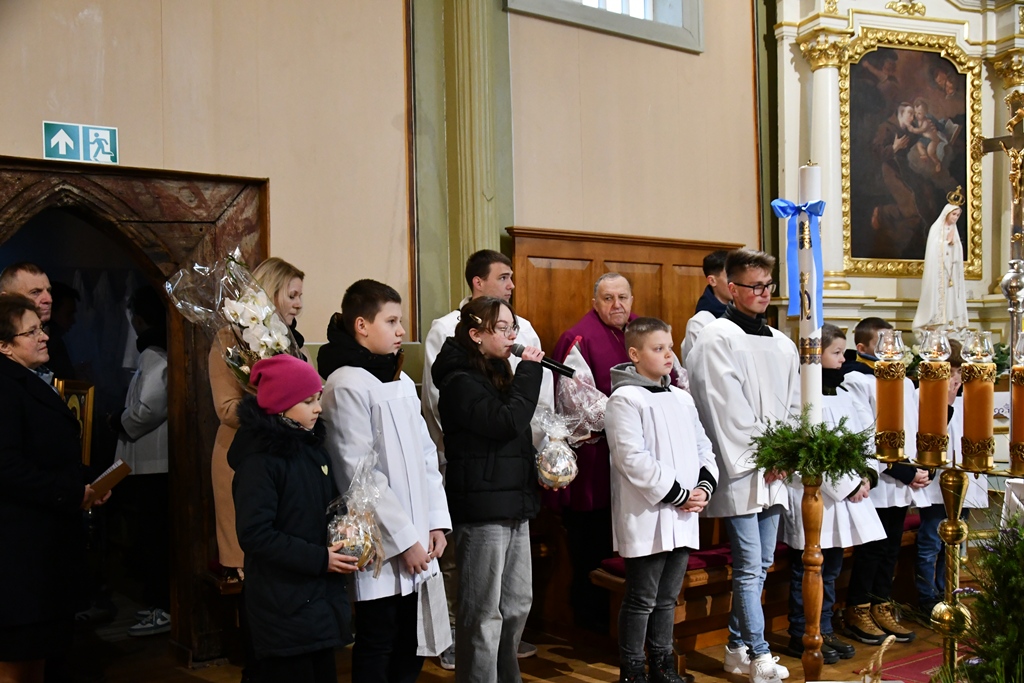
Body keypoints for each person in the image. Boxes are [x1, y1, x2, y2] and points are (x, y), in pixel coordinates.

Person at [420, 250, 548, 667]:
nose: (512, 337)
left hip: (513, 500)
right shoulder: (459, 379)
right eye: (503, 329)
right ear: (476, 334)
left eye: (513, 328)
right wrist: (529, 372)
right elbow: (505, 422)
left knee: (517, 603)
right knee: (483, 613)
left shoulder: (499, 370)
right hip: (482, 504)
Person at [320, 279, 451, 682]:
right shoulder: (345, 383)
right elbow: (358, 473)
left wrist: (434, 521)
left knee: (413, 640)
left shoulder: (398, 379)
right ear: (361, 325)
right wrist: (404, 540)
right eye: (391, 321)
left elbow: (427, 455)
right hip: (382, 543)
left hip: (418, 535)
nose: (401, 331)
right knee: (379, 639)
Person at [686, 249, 798, 683]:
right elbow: (724, 408)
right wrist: (765, 457)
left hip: (774, 468)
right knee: (750, 565)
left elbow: (793, 404)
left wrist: (784, 455)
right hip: (743, 470)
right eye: (755, 286)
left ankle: (735, 648)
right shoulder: (717, 337)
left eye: (768, 285)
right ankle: (760, 654)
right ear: (732, 288)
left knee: (763, 562)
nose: (764, 293)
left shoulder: (783, 343)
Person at [229, 354, 358, 683]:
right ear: (280, 405)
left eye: (318, 399)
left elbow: (330, 506)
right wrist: (320, 559)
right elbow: (256, 534)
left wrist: (348, 533)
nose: (318, 408)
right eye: (308, 401)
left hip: (316, 598)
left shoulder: (313, 449)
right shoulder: (260, 461)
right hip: (282, 602)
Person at [0, 294, 108, 683]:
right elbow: (7, 467)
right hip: (18, 548)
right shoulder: (5, 387)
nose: (44, 336)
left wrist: (88, 481)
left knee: (38, 654)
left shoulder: (27, 381)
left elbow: (49, 453)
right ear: (4, 345)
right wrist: (72, 493)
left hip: (43, 546)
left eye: (41, 328)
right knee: (16, 658)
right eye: (31, 332)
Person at [606, 317, 718, 683]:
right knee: (642, 598)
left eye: (670, 347)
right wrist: (679, 494)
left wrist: (703, 487)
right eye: (658, 349)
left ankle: (663, 664)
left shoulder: (682, 398)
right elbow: (631, 458)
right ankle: (632, 669)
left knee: (668, 597)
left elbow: (703, 447)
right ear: (635, 354)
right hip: (648, 513)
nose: (669, 355)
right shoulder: (625, 399)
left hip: (683, 513)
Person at [781, 323, 883, 665]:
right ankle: (803, 631)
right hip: (815, 494)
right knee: (809, 568)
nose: (843, 359)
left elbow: (866, 437)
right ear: (814, 354)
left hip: (849, 496)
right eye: (836, 353)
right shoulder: (799, 394)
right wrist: (847, 485)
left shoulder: (844, 393)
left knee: (833, 568)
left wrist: (867, 476)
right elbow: (805, 450)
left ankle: (824, 628)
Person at [210, 256, 308, 577]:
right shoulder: (229, 339)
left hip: (287, 461)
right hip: (244, 459)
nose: (299, 305)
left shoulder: (295, 345)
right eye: (292, 295)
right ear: (269, 292)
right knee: (252, 568)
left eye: (300, 296)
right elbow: (227, 409)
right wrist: (279, 406)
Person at [549, 272, 636, 630]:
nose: (617, 305)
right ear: (594, 303)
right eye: (608, 298)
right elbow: (579, 402)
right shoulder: (579, 338)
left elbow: (674, 379)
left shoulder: (643, 333)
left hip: (637, 461)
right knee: (593, 546)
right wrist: (634, 419)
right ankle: (593, 625)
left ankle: (628, 622)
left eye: (623, 297)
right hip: (596, 462)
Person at [840, 317, 924, 645]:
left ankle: (881, 604)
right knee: (872, 549)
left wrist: (919, 466)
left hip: (902, 480)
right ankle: (857, 608)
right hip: (877, 478)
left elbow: (911, 424)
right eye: (883, 343)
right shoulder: (856, 379)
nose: (891, 349)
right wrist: (902, 471)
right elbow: (866, 432)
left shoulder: (902, 380)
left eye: (894, 342)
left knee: (890, 549)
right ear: (862, 347)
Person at [111, 285, 172, 637]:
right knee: (151, 535)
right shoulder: (154, 352)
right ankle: (157, 601)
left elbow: (149, 407)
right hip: (151, 460)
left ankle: (162, 605)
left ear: (138, 319)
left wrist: (119, 421)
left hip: (155, 462)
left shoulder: (154, 354)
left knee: (154, 537)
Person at [913, 339, 987, 615]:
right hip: (937, 484)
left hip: (963, 481)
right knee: (931, 541)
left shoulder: (972, 396)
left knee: (954, 542)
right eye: (951, 372)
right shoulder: (923, 396)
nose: (955, 379)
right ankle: (926, 598)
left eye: (959, 373)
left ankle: (948, 592)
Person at [912, 194, 967, 336]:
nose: (955, 218)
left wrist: (954, 245)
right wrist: (947, 242)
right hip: (938, 273)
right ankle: (935, 325)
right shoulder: (936, 229)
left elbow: (958, 252)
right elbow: (933, 249)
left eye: (957, 215)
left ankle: (950, 326)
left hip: (950, 274)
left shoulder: (954, 231)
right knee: (937, 298)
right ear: (946, 214)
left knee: (950, 299)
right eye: (953, 214)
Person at [0, 262, 56, 384]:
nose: (49, 299)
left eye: (48, 291)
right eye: (35, 292)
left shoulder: (54, 339)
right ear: (6, 297)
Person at [680, 250, 732, 363]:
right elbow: (701, 367)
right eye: (730, 277)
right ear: (712, 281)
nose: (736, 283)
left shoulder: (747, 312)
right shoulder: (700, 323)